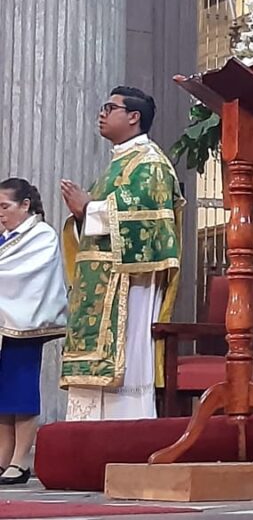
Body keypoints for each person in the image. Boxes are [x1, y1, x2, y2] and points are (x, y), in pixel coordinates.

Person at [59, 86, 182, 420]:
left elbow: (148, 218)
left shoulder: (151, 162)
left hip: (131, 284)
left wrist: (89, 209)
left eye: (109, 107)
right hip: (101, 282)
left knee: (127, 362)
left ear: (133, 117)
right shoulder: (118, 164)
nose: (102, 113)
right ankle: (88, 441)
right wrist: (83, 214)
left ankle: (125, 432)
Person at [0, 179, 67, 485]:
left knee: (20, 391)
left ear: (25, 205)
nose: (1, 214)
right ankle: (3, 457)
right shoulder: (6, 238)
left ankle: (21, 459)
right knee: (3, 395)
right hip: (4, 323)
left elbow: (26, 276)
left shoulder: (41, 235)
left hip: (24, 324)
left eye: (5, 207)